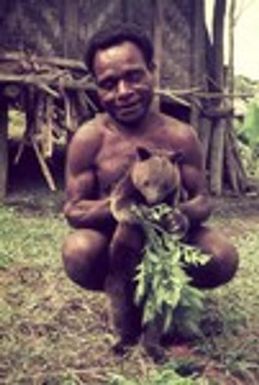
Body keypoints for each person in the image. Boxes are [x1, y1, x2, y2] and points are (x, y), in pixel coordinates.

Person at [62, 23, 238, 353]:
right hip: (117, 241)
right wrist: (123, 207)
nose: (124, 91)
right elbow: (74, 209)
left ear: (153, 71)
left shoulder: (180, 136)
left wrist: (180, 215)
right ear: (97, 88)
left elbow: (202, 199)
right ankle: (122, 298)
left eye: (134, 76)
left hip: (171, 240)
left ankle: (164, 302)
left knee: (222, 255)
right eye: (109, 84)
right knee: (78, 250)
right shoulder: (89, 138)